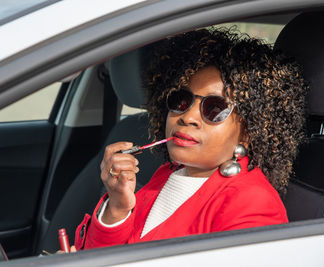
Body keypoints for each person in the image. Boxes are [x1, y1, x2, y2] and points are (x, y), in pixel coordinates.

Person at [72, 28, 307, 250]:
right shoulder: (167, 174)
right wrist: (117, 207)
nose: (188, 117)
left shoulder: (252, 203)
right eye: (181, 100)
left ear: (249, 131)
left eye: (214, 108)